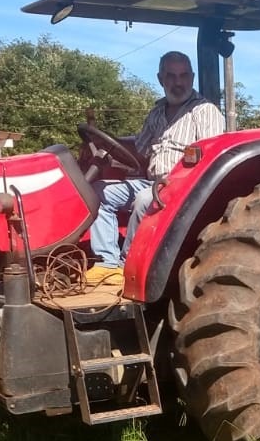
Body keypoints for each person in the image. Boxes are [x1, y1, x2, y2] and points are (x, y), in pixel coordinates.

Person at [84, 51, 225, 286]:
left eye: (183, 76)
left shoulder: (204, 111)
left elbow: (211, 157)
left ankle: (127, 265)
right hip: (153, 181)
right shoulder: (157, 112)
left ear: (192, 77)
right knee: (99, 193)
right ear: (160, 79)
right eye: (171, 76)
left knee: (143, 199)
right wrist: (105, 146)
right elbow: (138, 147)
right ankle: (106, 262)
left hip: (185, 185)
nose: (177, 82)